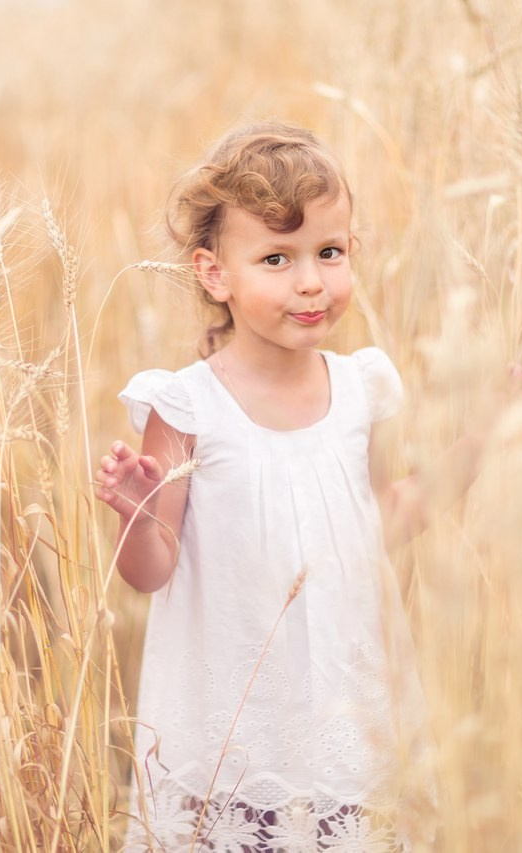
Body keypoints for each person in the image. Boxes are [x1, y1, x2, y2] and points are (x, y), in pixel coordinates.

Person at [95, 121, 457, 851]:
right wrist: (137, 515)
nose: (310, 282)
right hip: (234, 719)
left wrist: (481, 442)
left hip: (344, 706)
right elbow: (150, 571)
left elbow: (379, 519)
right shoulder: (187, 407)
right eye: (275, 258)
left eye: (329, 252)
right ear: (214, 273)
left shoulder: (363, 389)